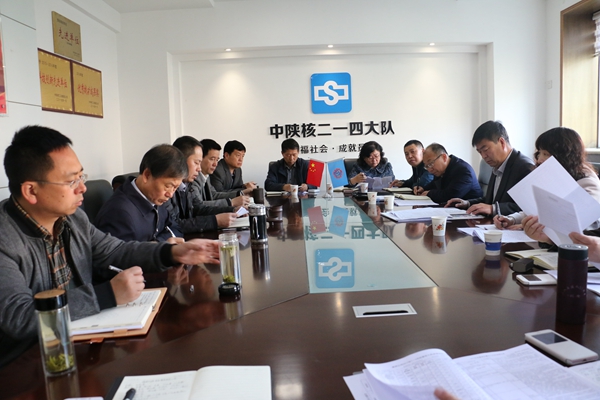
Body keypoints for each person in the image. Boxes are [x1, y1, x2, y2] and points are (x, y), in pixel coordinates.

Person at [0, 125, 219, 368]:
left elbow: (116, 250)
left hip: (79, 342)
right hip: (25, 364)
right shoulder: (5, 238)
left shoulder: (73, 219)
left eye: (81, 176)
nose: (82, 188)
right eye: (71, 181)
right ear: (31, 190)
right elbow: (19, 317)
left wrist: (172, 252)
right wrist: (106, 295)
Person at [495, 127, 600, 240]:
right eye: (539, 153)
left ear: (564, 155)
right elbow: (538, 209)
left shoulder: (588, 182)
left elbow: (579, 223)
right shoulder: (556, 175)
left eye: (546, 154)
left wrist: (538, 227)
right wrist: (512, 219)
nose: (539, 159)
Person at [95, 144, 185, 242]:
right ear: (147, 175)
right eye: (168, 186)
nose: (170, 194)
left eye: (175, 188)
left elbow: (176, 229)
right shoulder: (118, 213)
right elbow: (122, 251)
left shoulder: (154, 197)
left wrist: (159, 241)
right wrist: (160, 245)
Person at [446, 121, 534, 216]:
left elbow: (528, 208)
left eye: (485, 150)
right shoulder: (498, 164)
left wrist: (494, 209)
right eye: (480, 152)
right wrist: (467, 203)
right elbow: (491, 200)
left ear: (501, 142)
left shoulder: (525, 167)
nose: (484, 156)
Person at [167, 136, 237, 233]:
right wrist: (214, 221)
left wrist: (232, 210)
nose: (199, 169)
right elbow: (174, 225)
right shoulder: (167, 189)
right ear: (180, 161)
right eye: (196, 163)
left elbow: (199, 208)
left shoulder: (187, 185)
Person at [415, 143, 482, 203]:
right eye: (427, 166)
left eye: (431, 163)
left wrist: (429, 193)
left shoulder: (463, 170)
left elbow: (451, 196)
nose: (429, 169)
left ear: (444, 157)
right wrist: (423, 189)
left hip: (470, 210)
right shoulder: (441, 170)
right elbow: (435, 184)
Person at [192, 139, 250, 208]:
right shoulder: (193, 178)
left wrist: (241, 193)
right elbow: (197, 206)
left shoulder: (206, 176)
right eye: (212, 159)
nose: (215, 164)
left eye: (217, 160)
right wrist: (231, 202)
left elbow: (213, 195)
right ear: (200, 158)